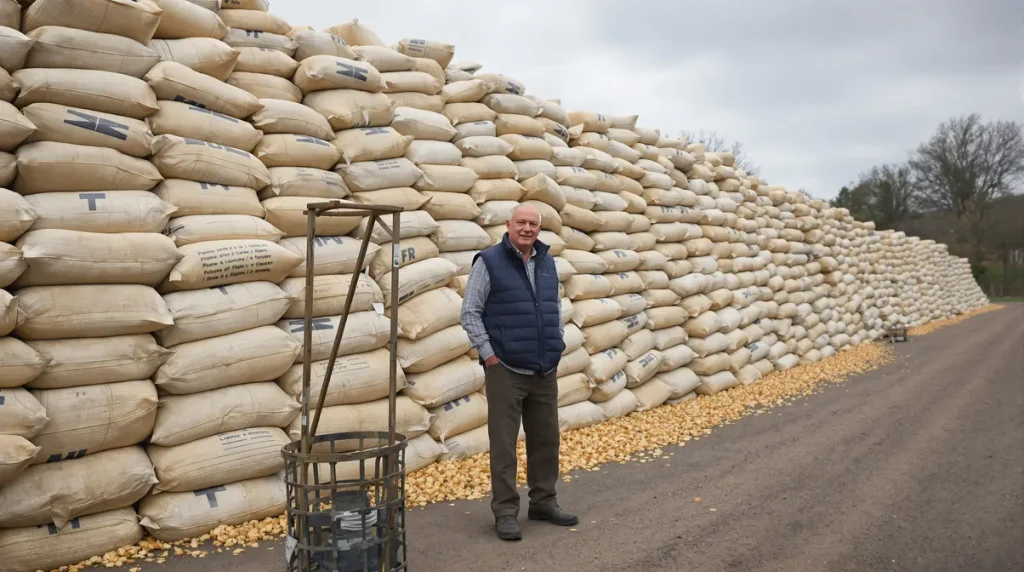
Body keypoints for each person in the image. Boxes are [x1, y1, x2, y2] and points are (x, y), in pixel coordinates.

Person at [461, 203, 578, 541]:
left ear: (539, 230)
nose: (527, 228)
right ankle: (506, 512)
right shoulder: (489, 261)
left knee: (546, 440)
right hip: (506, 369)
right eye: (521, 223)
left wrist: (557, 343)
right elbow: (470, 312)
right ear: (508, 225)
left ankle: (543, 502)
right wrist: (490, 356)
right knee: (504, 445)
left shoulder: (546, 261)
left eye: (533, 224)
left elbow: (553, 307)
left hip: (544, 366)